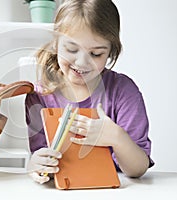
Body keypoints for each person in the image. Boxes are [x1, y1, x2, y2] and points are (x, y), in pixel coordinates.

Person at [25, 0, 154, 184]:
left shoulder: (123, 91)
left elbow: (137, 170)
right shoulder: (39, 95)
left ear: (111, 52)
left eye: (96, 54)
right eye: (71, 49)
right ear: (56, 43)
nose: (82, 62)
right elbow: (41, 159)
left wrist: (117, 138)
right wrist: (37, 164)